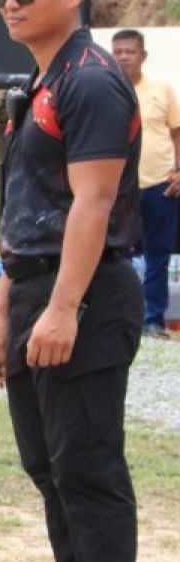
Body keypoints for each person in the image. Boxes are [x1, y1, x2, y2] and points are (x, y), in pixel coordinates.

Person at [0, 0, 142, 562]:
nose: (10, 4)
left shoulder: (92, 81)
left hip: (85, 295)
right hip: (34, 291)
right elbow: (24, 209)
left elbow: (93, 204)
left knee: (87, 469)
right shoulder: (38, 81)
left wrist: (64, 308)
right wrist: (4, 308)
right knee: (48, 466)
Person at [112, 28, 180, 339]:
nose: (124, 57)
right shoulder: (106, 89)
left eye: (130, 51)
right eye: (118, 51)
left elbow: (177, 133)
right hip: (118, 185)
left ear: (143, 55)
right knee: (117, 254)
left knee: (157, 254)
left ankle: (153, 320)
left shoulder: (163, 90)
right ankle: (119, 319)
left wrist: (179, 170)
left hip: (159, 185)